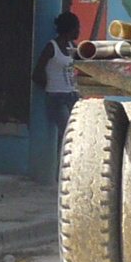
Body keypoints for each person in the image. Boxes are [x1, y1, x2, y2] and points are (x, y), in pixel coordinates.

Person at [33, 12, 81, 159]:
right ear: (69, 29)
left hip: (73, 95)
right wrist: (50, 88)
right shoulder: (51, 47)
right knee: (68, 134)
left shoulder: (73, 47)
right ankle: (61, 168)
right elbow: (36, 74)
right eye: (77, 28)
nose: (79, 31)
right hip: (57, 97)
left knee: (77, 132)